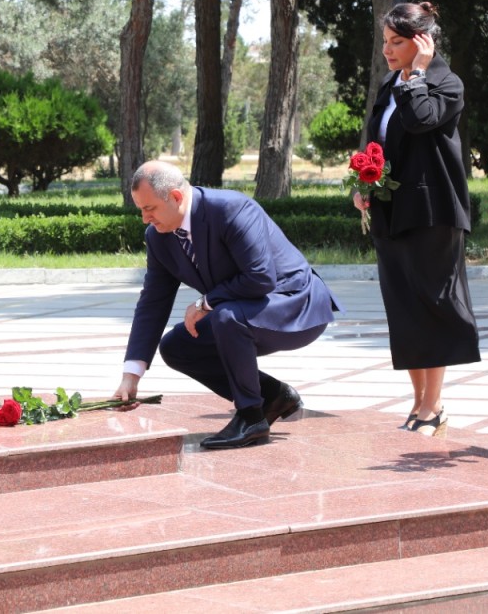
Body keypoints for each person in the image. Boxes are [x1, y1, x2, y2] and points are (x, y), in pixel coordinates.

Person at [112, 161, 341, 449]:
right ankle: (273, 396)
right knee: (176, 346)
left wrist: (204, 303)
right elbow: (152, 302)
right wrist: (131, 376)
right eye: (140, 209)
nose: (145, 218)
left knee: (226, 316)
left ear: (176, 197)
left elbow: (260, 277)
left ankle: (251, 417)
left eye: (150, 208)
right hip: (242, 310)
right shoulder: (158, 238)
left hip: (294, 304)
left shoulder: (231, 209)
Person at [353, 2, 479, 436]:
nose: (387, 50)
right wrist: (364, 184)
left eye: (396, 42)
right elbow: (378, 141)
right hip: (391, 210)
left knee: (431, 306)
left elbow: (420, 119)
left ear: (423, 43)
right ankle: (419, 401)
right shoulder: (391, 83)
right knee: (404, 308)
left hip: (431, 213)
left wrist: (419, 73)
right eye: (384, 42)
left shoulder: (446, 83)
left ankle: (434, 405)